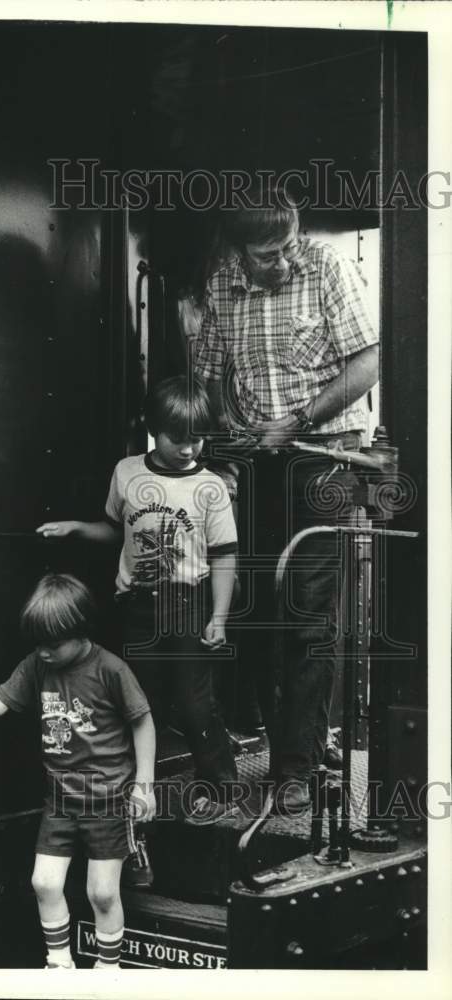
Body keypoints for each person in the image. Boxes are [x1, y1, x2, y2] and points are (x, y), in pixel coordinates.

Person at [192, 188, 379, 811]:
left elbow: (368, 361)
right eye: (266, 253)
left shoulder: (327, 267)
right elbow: (210, 377)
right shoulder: (222, 287)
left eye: (287, 245)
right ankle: (301, 741)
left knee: (307, 614)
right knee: (261, 611)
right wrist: (230, 442)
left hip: (326, 458)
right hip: (259, 465)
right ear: (237, 249)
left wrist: (297, 421)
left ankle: (295, 769)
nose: (281, 260)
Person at [0, 573, 156, 970]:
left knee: (103, 894)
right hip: (59, 800)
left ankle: (108, 972)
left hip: (107, 800)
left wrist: (144, 787)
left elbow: (143, 722)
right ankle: (59, 965)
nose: (43, 651)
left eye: (53, 644)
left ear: (81, 633)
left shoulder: (111, 670)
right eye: (38, 643)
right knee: (43, 883)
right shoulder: (37, 667)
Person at [37, 375, 239, 824]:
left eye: (197, 438)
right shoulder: (127, 472)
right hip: (136, 604)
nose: (189, 449)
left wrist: (219, 617)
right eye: (178, 439)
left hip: (188, 603)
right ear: (152, 427)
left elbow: (225, 556)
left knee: (193, 702)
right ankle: (131, 789)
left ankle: (221, 788)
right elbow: (114, 530)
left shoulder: (211, 487)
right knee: (138, 700)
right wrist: (75, 528)